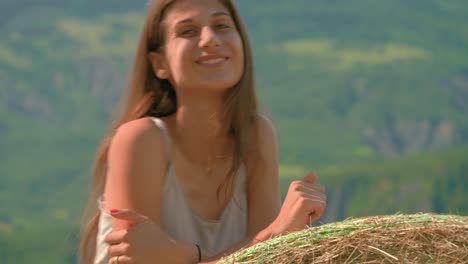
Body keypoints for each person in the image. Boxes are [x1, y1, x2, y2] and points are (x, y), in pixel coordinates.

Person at [79, 0, 327, 263]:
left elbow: (266, 259)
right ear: (159, 63)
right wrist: (276, 232)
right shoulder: (140, 140)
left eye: (221, 26)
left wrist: (182, 256)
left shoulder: (256, 135)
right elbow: (265, 249)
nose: (210, 39)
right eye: (188, 31)